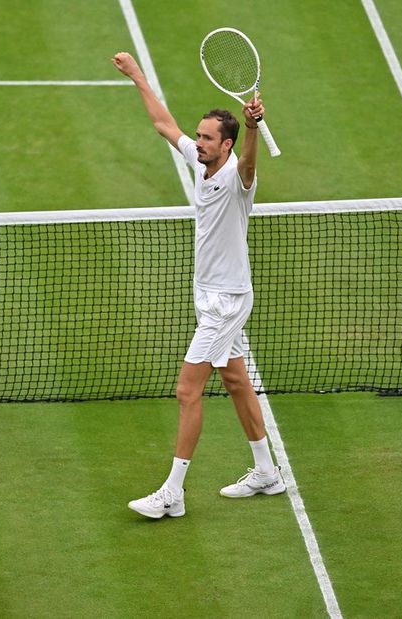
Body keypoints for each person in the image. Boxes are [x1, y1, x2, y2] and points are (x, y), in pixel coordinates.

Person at [112, 52, 285, 519]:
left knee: (187, 390)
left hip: (225, 302)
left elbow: (249, 165)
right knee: (234, 378)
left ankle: (172, 493)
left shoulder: (237, 177)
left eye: (208, 138)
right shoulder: (200, 160)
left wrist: (251, 128)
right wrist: (138, 77)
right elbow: (165, 125)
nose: (199, 142)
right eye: (201, 136)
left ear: (226, 145)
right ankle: (266, 472)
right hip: (208, 291)